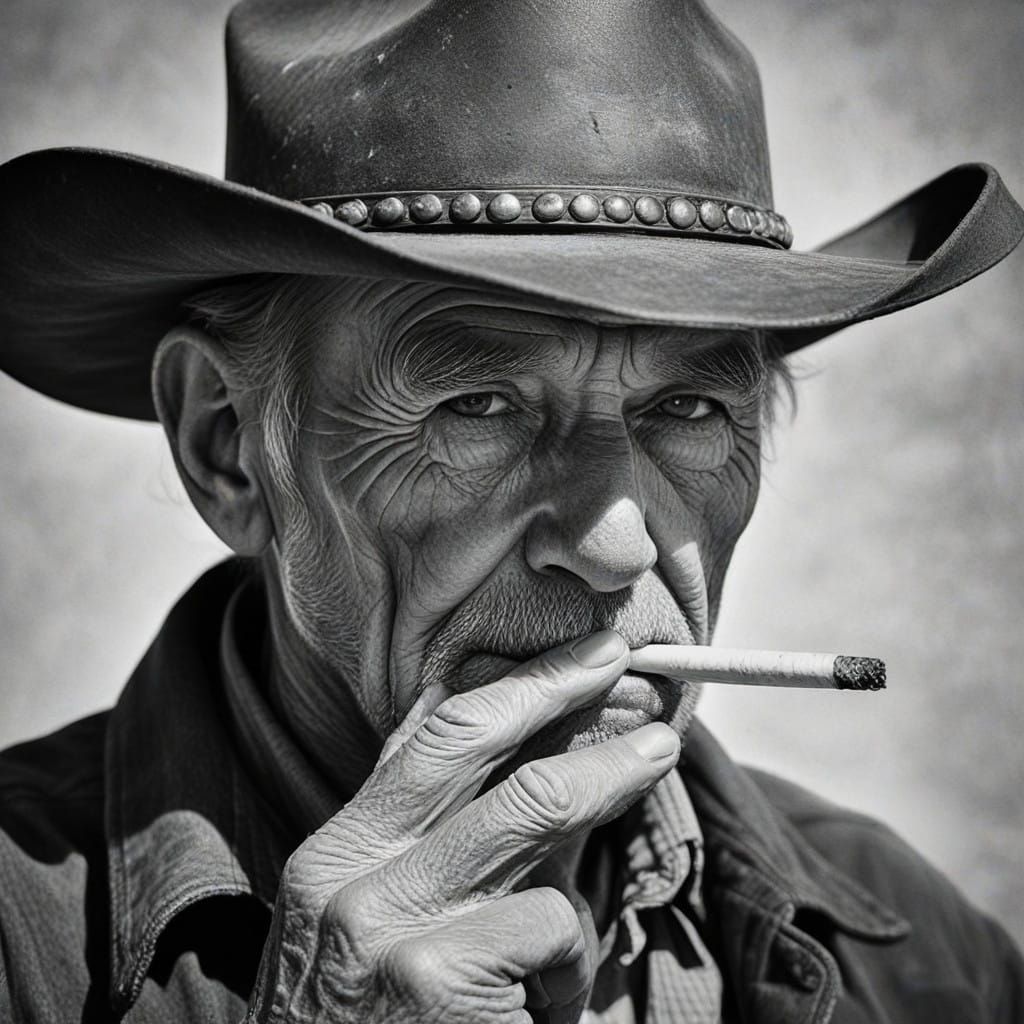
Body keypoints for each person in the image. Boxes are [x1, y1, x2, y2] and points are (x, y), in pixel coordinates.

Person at [0, 0, 1021, 1021]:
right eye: (478, 405)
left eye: (689, 407)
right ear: (228, 445)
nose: (616, 547)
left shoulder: (928, 958)